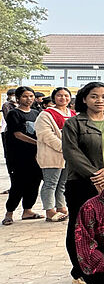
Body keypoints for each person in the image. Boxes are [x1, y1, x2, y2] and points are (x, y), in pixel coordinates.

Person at [62, 82, 104, 284]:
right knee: (80, 227)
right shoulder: (74, 124)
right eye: (94, 96)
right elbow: (72, 153)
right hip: (82, 183)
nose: (100, 100)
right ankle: (79, 271)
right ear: (84, 99)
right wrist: (96, 175)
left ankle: (101, 265)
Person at [2, 86, 43, 225]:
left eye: (31, 96)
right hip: (18, 156)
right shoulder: (14, 114)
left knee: (34, 182)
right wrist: (37, 143)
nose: (29, 99)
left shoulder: (36, 113)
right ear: (18, 98)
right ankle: (9, 213)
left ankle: (28, 210)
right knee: (18, 184)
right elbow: (17, 134)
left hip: (35, 156)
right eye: (25, 96)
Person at [35, 87, 75, 222]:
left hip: (69, 155)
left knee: (63, 183)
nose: (63, 98)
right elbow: (45, 134)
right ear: (54, 98)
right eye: (59, 95)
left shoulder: (73, 113)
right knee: (50, 183)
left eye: (66, 95)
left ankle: (61, 206)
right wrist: (64, 147)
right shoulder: (46, 114)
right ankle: (49, 210)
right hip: (52, 153)